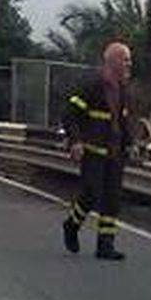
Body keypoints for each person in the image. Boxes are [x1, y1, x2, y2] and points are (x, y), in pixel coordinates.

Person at [61, 42, 134, 261]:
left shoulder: (123, 89)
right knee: (91, 192)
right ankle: (72, 225)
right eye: (125, 59)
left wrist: (131, 143)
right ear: (112, 61)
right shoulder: (92, 85)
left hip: (115, 152)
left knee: (113, 198)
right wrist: (75, 141)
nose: (129, 64)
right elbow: (70, 114)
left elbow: (124, 120)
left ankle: (106, 245)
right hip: (93, 150)